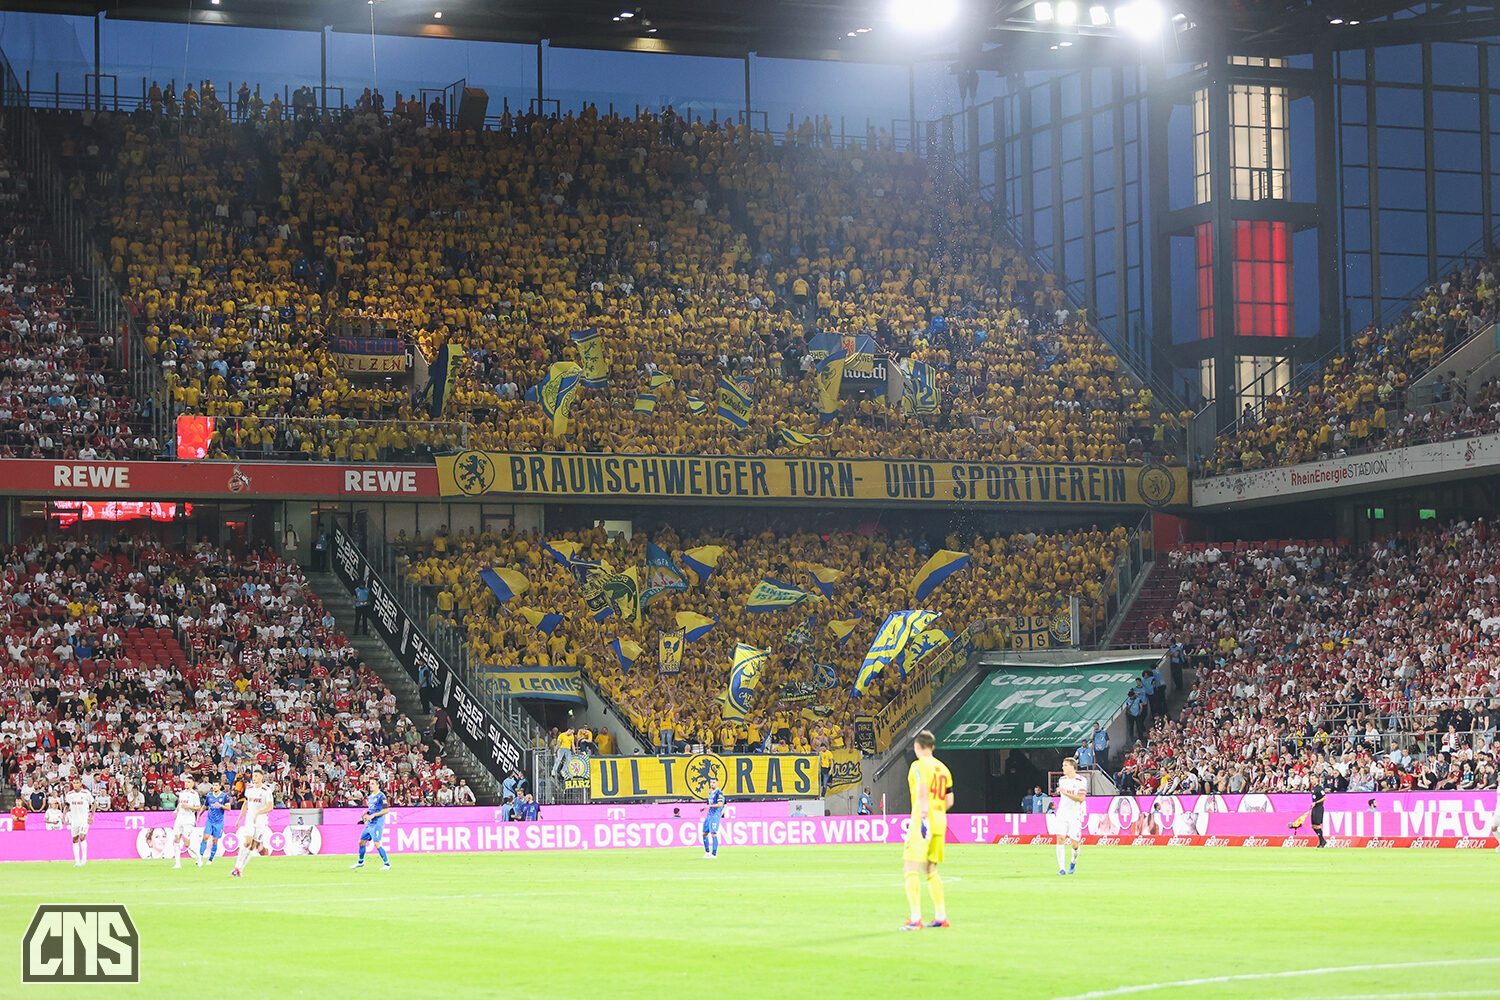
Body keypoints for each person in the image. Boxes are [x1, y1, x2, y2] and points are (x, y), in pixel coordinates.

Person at [901, 730, 953, 930]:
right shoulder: (943, 768)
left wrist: (924, 817)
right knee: (931, 870)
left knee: (910, 869)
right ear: (933, 747)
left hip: (923, 822)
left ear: (917, 747)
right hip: (940, 820)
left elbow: (922, 790)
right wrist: (935, 812)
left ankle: (916, 919)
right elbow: (950, 800)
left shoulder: (918, 765)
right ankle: (941, 916)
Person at [232, 768, 274, 878]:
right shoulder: (249, 789)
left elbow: (270, 807)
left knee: (253, 846)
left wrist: (259, 813)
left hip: (261, 820)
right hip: (250, 818)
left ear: (261, 778)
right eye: (253, 776)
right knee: (247, 842)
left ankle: (240, 869)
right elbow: (245, 804)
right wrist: (239, 819)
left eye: (256, 776)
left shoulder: (266, 791)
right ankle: (236, 866)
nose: (254, 778)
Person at [1055, 756, 1088, 876]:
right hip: (1062, 813)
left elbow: (1080, 798)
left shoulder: (1081, 781)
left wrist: (1065, 792)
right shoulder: (1062, 780)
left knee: (1074, 844)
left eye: (1065, 765)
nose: (1063, 767)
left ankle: (1073, 860)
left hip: (1075, 814)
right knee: (1060, 838)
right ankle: (1061, 869)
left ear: (1072, 767)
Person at [351, 778, 391, 870]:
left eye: (373, 784)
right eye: (370, 784)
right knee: (361, 842)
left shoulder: (382, 796)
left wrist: (373, 815)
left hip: (377, 823)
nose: (370, 785)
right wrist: (367, 812)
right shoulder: (370, 797)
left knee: (377, 843)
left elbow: (386, 810)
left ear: (378, 785)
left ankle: (387, 864)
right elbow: (373, 810)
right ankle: (360, 862)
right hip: (370, 823)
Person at [169, 772, 202, 869]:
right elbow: (180, 804)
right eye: (185, 782)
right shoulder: (181, 793)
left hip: (189, 819)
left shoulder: (194, 794)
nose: (186, 784)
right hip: (180, 818)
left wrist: (189, 806)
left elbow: (198, 807)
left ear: (192, 784)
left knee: (186, 843)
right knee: (177, 839)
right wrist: (176, 810)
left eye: (188, 782)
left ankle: (199, 856)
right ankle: (177, 863)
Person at [199, 780, 231, 864]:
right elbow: (205, 806)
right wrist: (199, 815)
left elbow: (228, 808)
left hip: (219, 822)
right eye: (213, 785)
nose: (214, 787)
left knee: (215, 840)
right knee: (205, 837)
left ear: (220, 786)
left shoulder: (224, 796)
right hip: (210, 820)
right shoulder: (209, 795)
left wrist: (220, 805)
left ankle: (210, 859)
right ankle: (200, 857)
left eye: (216, 785)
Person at [65, 775, 93, 867]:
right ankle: (77, 861)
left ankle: (84, 859)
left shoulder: (86, 793)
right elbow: (67, 806)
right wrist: (63, 815)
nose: (75, 785)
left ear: (80, 784)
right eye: (74, 783)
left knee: (82, 836)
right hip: (74, 819)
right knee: (75, 839)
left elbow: (93, 804)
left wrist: (92, 816)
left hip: (84, 818)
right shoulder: (69, 795)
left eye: (77, 783)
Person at [700, 776, 726, 859]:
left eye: (714, 782)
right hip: (709, 815)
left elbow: (720, 804)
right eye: (711, 782)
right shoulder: (710, 792)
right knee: (704, 834)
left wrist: (709, 806)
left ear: (717, 783)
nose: (712, 784)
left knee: (713, 833)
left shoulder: (719, 792)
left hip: (715, 816)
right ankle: (707, 852)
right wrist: (705, 807)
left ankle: (714, 854)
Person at [1310, 770, 1330, 848]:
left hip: (1319, 808)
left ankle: (1322, 842)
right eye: (1310, 779)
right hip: (1314, 808)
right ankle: (1322, 841)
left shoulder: (1319, 788)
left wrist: (1316, 802)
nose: (1311, 780)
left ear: (1317, 779)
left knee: (1317, 825)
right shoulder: (1314, 788)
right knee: (1313, 825)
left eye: (1313, 779)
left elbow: (1324, 798)